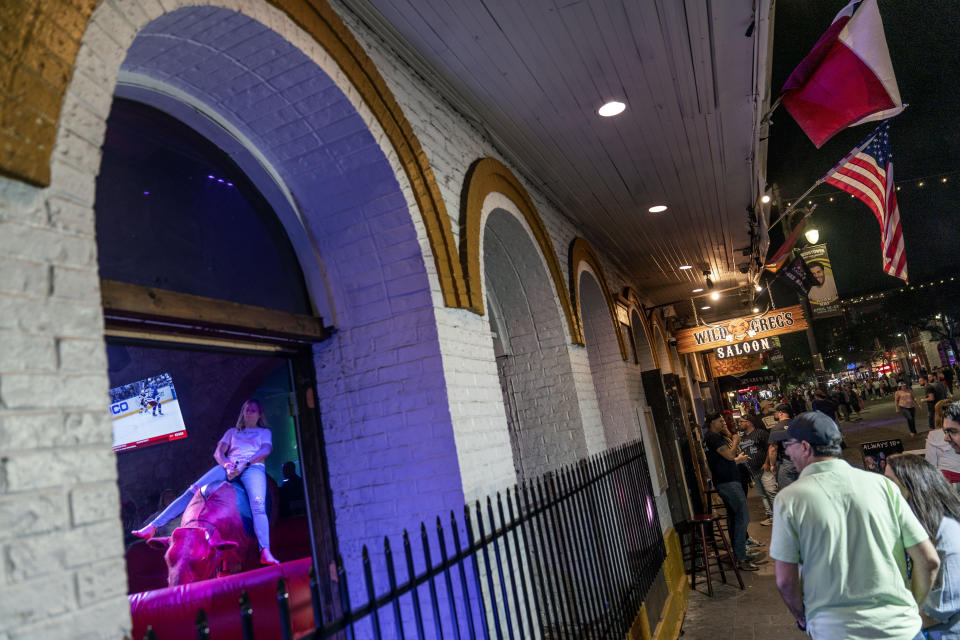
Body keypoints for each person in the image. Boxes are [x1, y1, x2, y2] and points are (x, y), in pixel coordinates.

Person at [769, 411, 941, 639]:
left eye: (788, 446)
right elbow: (928, 561)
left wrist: (802, 617)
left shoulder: (790, 499)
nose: (787, 453)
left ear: (805, 447)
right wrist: (911, 607)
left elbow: (785, 580)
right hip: (902, 629)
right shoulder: (882, 485)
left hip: (836, 631)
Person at [132, 399, 279, 566]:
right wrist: (227, 464)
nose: (248, 412)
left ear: (259, 414)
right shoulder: (232, 432)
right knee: (191, 491)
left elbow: (265, 450)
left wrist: (245, 464)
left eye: (253, 410)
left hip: (252, 467)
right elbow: (219, 453)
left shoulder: (264, 433)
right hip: (229, 466)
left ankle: (265, 550)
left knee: (258, 504)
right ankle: (152, 526)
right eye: (246, 410)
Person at [884, 454, 960, 640]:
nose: (884, 489)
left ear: (912, 487)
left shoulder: (946, 531)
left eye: (890, 482)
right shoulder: (917, 528)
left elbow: (942, 605)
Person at [703, 412, 760, 571]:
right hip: (728, 483)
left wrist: (736, 458)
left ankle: (738, 555)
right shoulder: (712, 438)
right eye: (720, 421)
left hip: (727, 480)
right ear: (712, 422)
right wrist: (734, 440)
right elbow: (728, 455)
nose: (723, 423)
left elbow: (723, 461)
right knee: (743, 517)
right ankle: (741, 557)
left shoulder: (716, 437)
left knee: (734, 518)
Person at [737, 416, 774, 526]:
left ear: (749, 422)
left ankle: (780, 515)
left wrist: (767, 463)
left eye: (741, 422)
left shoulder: (761, 433)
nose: (738, 424)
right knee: (763, 494)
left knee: (771, 492)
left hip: (764, 468)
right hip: (752, 471)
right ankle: (770, 516)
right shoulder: (741, 437)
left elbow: (770, 448)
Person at [767, 404, 799, 490]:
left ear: (781, 413)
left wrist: (772, 465)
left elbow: (773, 449)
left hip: (787, 463)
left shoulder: (776, 428)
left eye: (775, 412)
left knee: (788, 491)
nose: (774, 414)